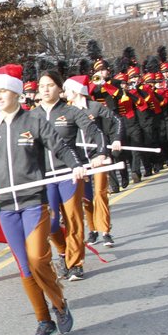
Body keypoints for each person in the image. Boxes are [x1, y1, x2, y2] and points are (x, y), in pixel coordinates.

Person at [0, 65, 83, 335]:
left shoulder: (34, 122)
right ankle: (44, 321)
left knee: (39, 259)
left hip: (33, 202)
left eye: (2, 91)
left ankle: (59, 303)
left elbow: (61, 148)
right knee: (24, 266)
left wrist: (76, 166)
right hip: (6, 206)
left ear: (15, 92)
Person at [30, 71, 107, 281]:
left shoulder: (70, 111)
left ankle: (75, 264)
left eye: (50, 85)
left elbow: (95, 132)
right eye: (42, 86)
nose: (45, 89)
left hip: (71, 173)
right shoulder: (31, 116)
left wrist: (101, 153)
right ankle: (64, 253)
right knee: (51, 224)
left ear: (60, 89)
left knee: (73, 218)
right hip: (44, 177)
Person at [63, 75, 123, 249]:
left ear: (76, 91)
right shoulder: (66, 111)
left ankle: (105, 231)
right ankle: (93, 230)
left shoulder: (95, 107)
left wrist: (117, 139)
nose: (64, 93)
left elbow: (117, 120)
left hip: (98, 155)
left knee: (100, 193)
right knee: (86, 197)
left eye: (67, 90)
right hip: (79, 159)